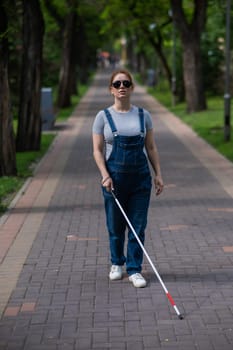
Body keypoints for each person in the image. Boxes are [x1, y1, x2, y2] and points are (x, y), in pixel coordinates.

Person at [92, 69, 164, 288]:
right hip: (113, 180)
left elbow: (150, 147)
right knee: (115, 226)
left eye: (125, 83)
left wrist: (158, 174)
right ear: (111, 90)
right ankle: (117, 263)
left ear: (132, 88)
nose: (121, 87)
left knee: (137, 226)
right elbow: (97, 150)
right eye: (117, 84)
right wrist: (105, 175)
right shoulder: (103, 117)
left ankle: (134, 269)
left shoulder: (144, 115)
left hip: (141, 180)